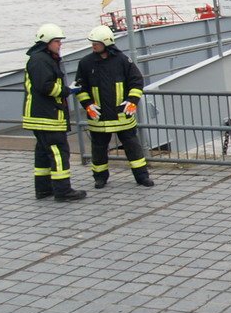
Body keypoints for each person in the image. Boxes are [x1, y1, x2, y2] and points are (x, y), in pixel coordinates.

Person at [74, 25, 154, 189]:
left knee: (133, 148)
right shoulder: (86, 63)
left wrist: (132, 100)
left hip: (122, 116)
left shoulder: (123, 61)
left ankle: (142, 177)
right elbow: (81, 87)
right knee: (98, 149)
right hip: (99, 117)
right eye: (92, 43)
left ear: (106, 42)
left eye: (96, 43)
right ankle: (100, 178)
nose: (93, 46)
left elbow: (136, 81)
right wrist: (88, 105)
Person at [22, 24, 87, 202]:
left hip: (40, 116)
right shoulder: (41, 60)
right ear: (46, 42)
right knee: (59, 152)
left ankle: (43, 189)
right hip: (47, 117)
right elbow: (46, 86)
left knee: (43, 153)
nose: (60, 45)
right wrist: (68, 90)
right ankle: (63, 191)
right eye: (57, 41)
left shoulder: (39, 59)